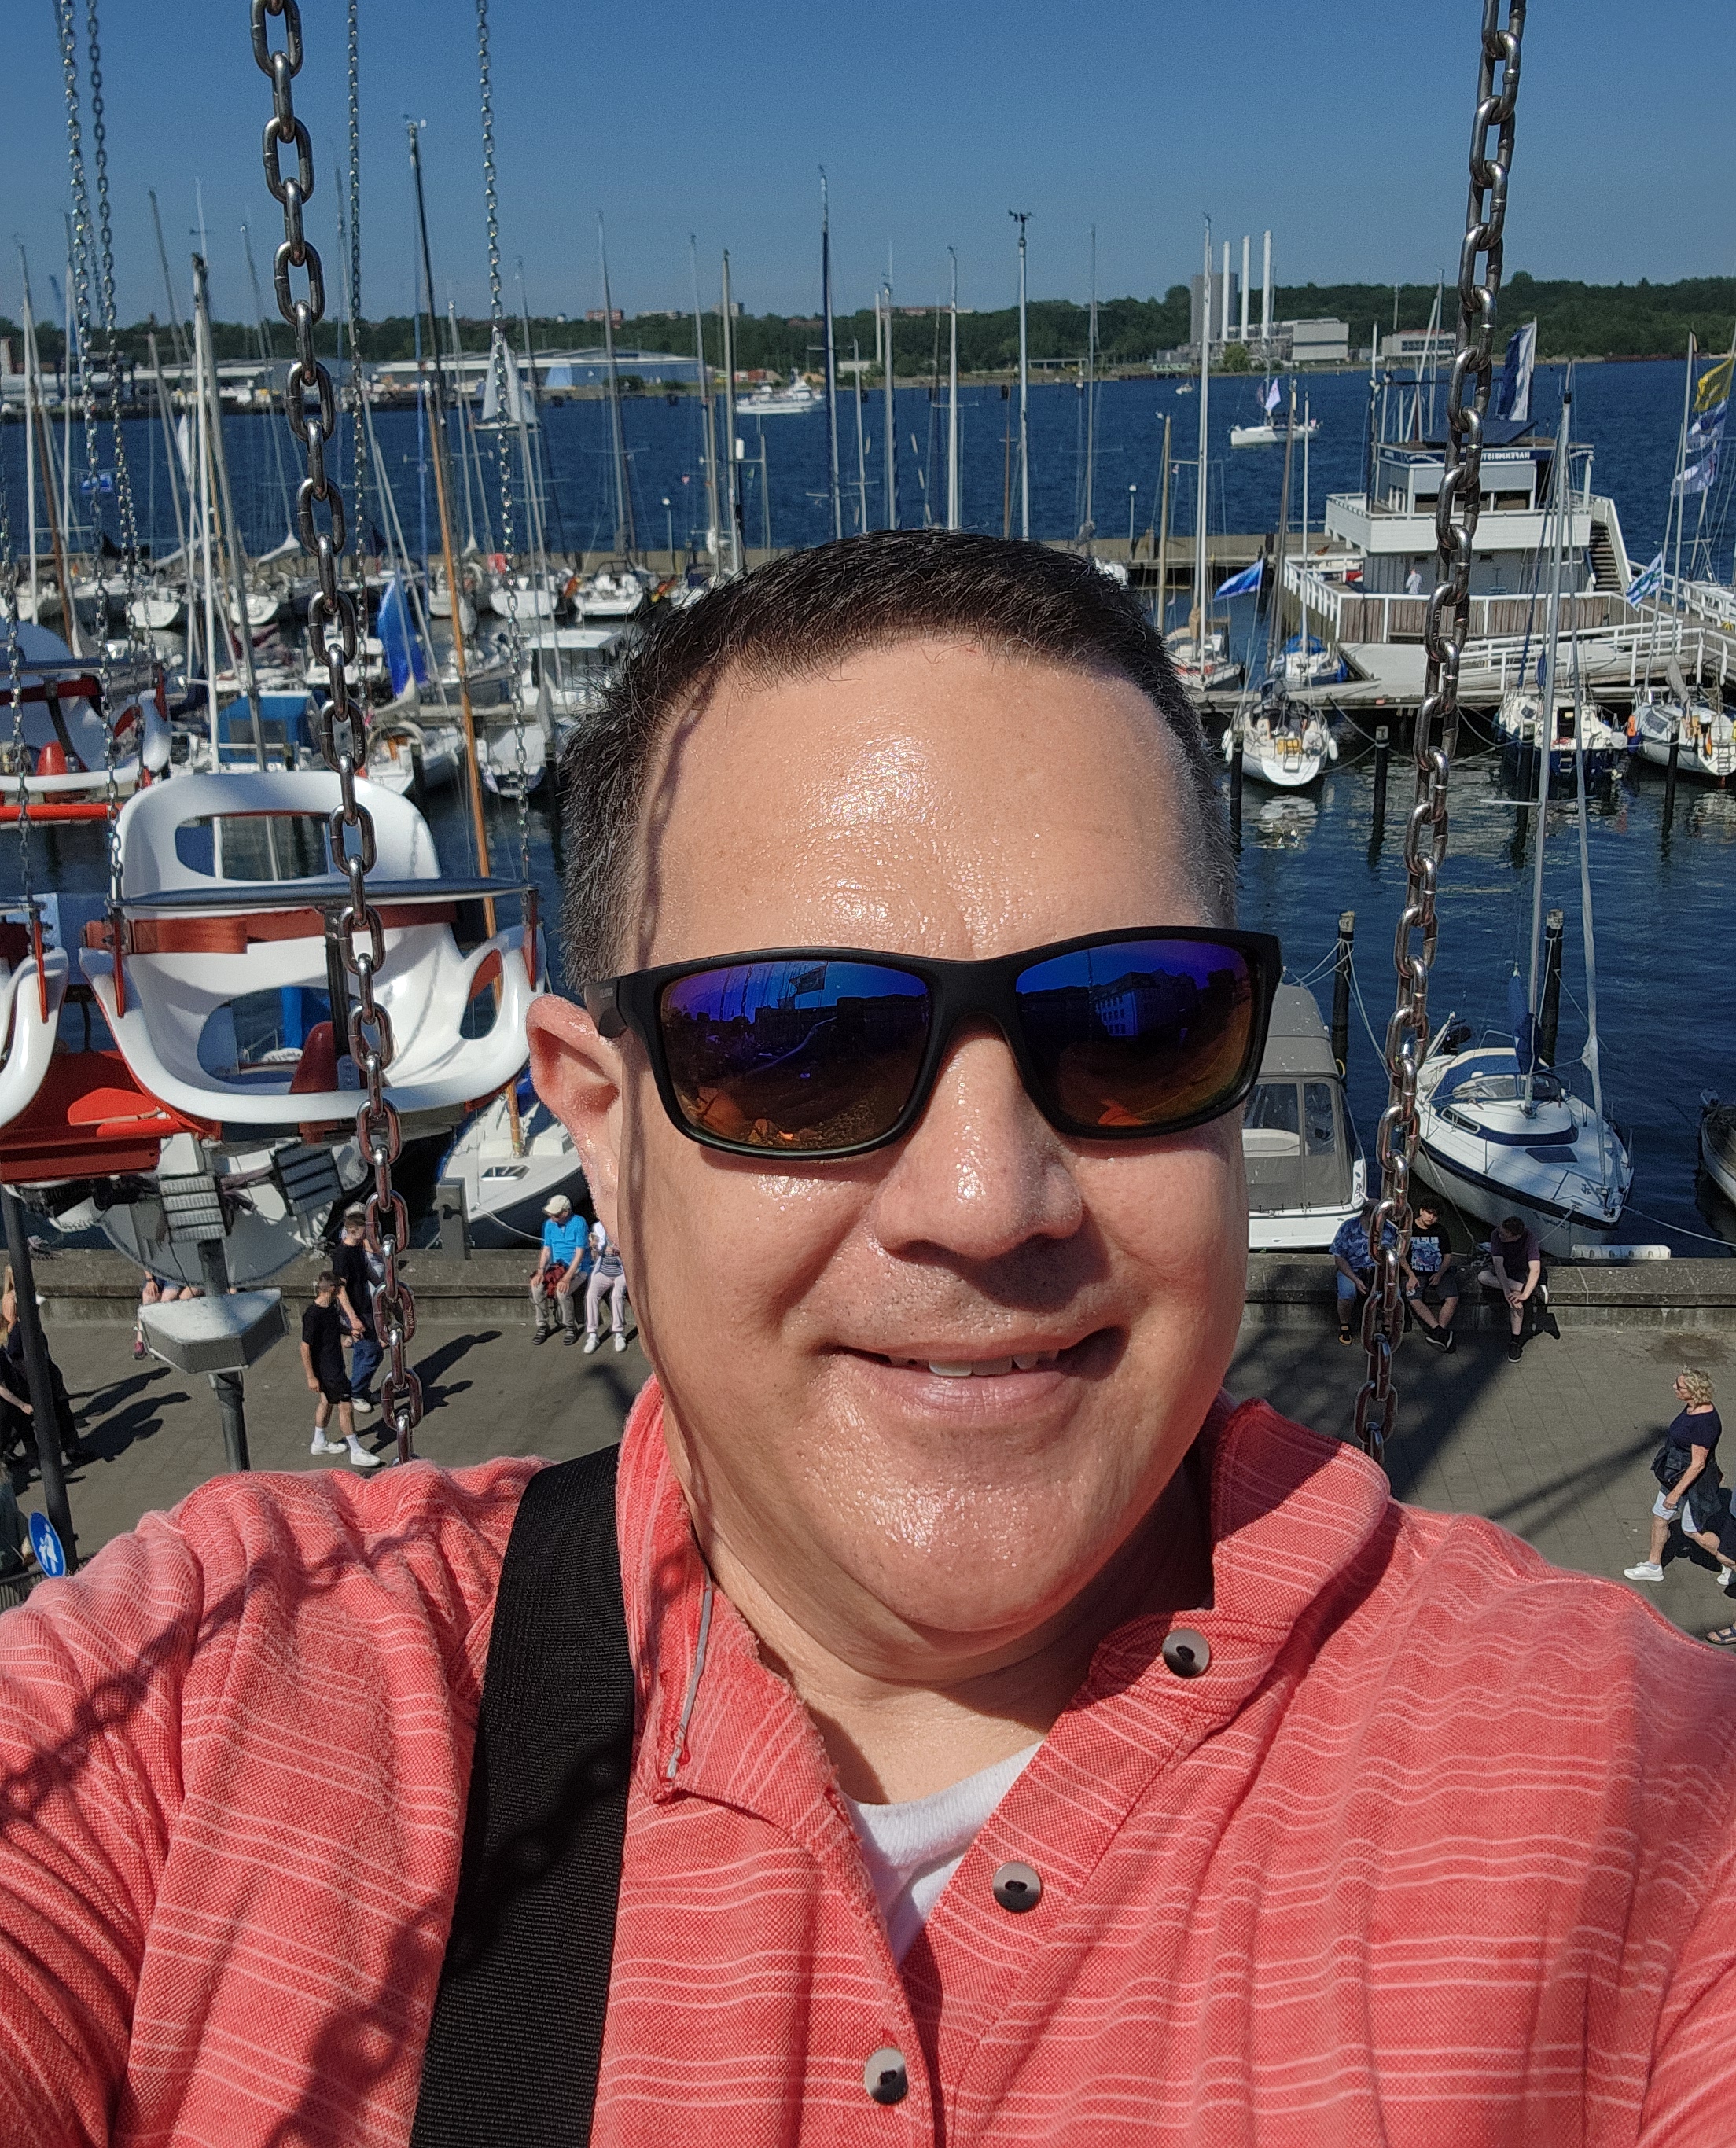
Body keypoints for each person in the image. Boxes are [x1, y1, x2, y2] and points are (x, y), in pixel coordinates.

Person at [2, 532, 1736, 2140]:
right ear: (600, 1126)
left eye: (1133, 1018)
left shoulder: (1631, 1798)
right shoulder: (209, 1703)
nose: (985, 1200)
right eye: (798, 1043)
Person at [1625, 1369, 1736, 1591]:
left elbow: (1698, 1463)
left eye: (1680, 1386)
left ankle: (1729, 1561)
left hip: (1691, 1484)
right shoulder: (1692, 1408)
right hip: (1674, 1474)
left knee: (1692, 1531)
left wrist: (1675, 1494)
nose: (1674, 1387)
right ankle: (1654, 1566)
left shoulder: (1704, 1423)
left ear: (1694, 1391)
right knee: (1660, 1516)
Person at [0, 1264, 90, 1476]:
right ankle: (44, 1461)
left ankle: (61, 1453)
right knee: (30, 1418)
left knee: (48, 1413)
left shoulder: (27, 1310)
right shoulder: (14, 1312)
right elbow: (11, 1342)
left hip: (38, 1368)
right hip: (27, 1375)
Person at [300, 1271, 379, 1469]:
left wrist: (349, 1331)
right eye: (340, 1287)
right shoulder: (313, 1315)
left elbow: (333, 1327)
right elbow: (305, 1347)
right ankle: (356, 1451)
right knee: (346, 1407)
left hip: (334, 1364)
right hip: (329, 1370)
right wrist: (311, 1377)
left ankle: (319, 1442)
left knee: (326, 1401)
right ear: (333, 1289)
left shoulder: (331, 1307)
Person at [332, 1207, 384, 1405]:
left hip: (365, 1304)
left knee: (362, 1350)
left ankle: (360, 1390)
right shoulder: (342, 1255)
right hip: (356, 1310)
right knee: (374, 1352)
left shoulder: (359, 1248)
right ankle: (356, 1392)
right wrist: (353, 1318)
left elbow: (367, 1271)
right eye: (365, 1230)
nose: (369, 1234)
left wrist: (383, 1286)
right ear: (353, 1231)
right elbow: (341, 1290)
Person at [1477, 1213, 1547, 1362]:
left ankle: (1515, 1340)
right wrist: (1507, 1292)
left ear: (1516, 1237)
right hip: (1506, 1270)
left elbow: (1535, 1269)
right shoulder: (1497, 1234)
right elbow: (1498, 1265)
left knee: (1517, 1300)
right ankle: (1531, 1290)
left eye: (1504, 1236)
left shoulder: (1530, 1238)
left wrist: (1523, 1295)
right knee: (1483, 1277)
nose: (1500, 1236)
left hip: (1521, 1270)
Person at [1329, 1198, 1396, 1344]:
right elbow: (1339, 1257)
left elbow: (1393, 1259)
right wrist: (1355, 1279)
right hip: (1352, 1269)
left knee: (1393, 1293)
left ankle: (1387, 1326)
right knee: (1347, 1292)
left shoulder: (1389, 1230)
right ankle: (1345, 1325)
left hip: (1378, 1271)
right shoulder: (1348, 1227)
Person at [531, 1191, 588, 1346]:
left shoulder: (579, 1223)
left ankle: (570, 1326)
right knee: (536, 1287)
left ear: (565, 1213)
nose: (552, 1217)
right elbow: (547, 1250)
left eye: (555, 1214)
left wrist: (567, 1278)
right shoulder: (549, 1224)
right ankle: (542, 1325)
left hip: (577, 1268)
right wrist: (541, 1271)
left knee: (562, 1291)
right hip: (557, 1267)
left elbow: (579, 1254)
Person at [1403, 1197, 1458, 1351]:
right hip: (1416, 1273)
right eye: (1429, 1213)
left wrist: (1440, 1273)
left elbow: (1447, 1255)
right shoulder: (1408, 1229)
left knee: (1452, 1297)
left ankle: (1439, 1331)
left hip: (1437, 1271)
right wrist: (1411, 1275)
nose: (1431, 1218)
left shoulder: (1441, 1231)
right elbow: (1400, 1256)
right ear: (1421, 1211)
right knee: (1413, 1297)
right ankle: (1439, 1331)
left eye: (1435, 1215)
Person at [582, 1216, 629, 1355]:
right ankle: (592, 1334)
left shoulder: (624, 1226)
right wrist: (595, 1247)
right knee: (591, 1295)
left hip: (621, 1272)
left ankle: (619, 1333)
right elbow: (595, 1255)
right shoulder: (598, 1227)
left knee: (616, 1296)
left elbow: (633, 1252)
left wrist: (618, 1251)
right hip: (603, 1271)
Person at [132, 1275, 199, 1362]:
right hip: (157, 1277)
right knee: (148, 1299)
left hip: (175, 1276)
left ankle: (162, 1344)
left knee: (166, 1301)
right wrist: (150, 1280)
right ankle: (141, 1341)